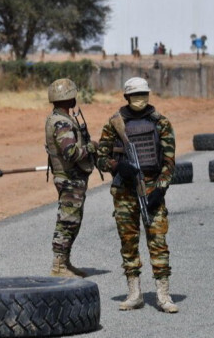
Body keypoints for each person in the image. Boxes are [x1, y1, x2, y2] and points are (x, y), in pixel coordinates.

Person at [96, 77, 178, 313]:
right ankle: (135, 292)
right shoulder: (114, 123)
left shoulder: (161, 122)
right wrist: (117, 166)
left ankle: (163, 294)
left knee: (158, 241)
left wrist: (160, 190)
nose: (139, 99)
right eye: (135, 95)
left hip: (152, 186)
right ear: (126, 97)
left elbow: (169, 162)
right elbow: (100, 156)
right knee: (128, 242)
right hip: (124, 191)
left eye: (143, 94)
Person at [44, 78, 98, 278]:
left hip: (71, 178)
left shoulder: (61, 118)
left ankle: (65, 262)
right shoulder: (61, 122)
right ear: (68, 97)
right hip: (69, 178)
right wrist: (91, 147)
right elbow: (71, 153)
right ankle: (58, 266)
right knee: (67, 221)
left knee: (73, 220)